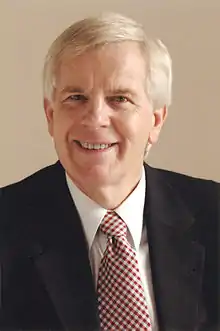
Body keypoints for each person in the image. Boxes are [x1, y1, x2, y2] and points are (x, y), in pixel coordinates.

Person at [0, 12, 219, 331]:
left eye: (119, 98)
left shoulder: (213, 215)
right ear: (51, 115)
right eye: (76, 98)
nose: (95, 118)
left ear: (156, 121)